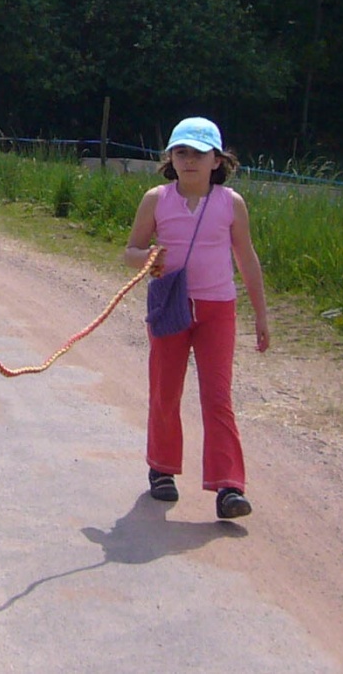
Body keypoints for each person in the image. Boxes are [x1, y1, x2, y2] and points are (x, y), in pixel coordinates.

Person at [124, 117, 269, 519]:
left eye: (199, 153)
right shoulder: (156, 199)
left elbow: (246, 258)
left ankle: (228, 486)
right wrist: (150, 260)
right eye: (182, 152)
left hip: (217, 309)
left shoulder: (230, 204)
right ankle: (162, 469)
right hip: (170, 305)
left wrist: (261, 313)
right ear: (170, 157)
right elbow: (131, 251)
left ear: (217, 161)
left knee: (217, 397)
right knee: (165, 390)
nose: (190, 161)